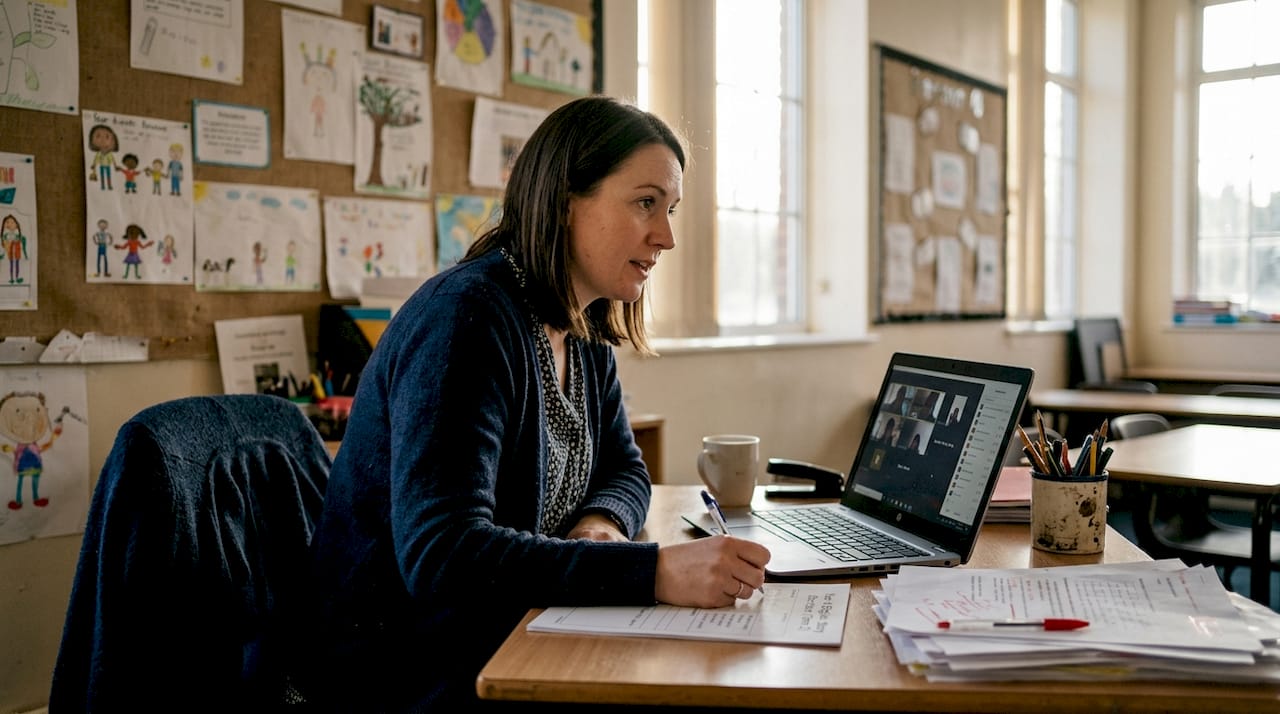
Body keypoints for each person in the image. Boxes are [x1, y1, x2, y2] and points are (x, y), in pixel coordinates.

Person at [292, 96, 770, 712]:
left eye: (670, 209)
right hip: (399, 672)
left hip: (509, 636)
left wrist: (599, 526)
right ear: (568, 200)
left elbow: (624, 469)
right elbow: (442, 557)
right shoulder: (467, 321)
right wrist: (653, 572)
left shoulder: (583, 322)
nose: (667, 236)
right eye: (645, 203)